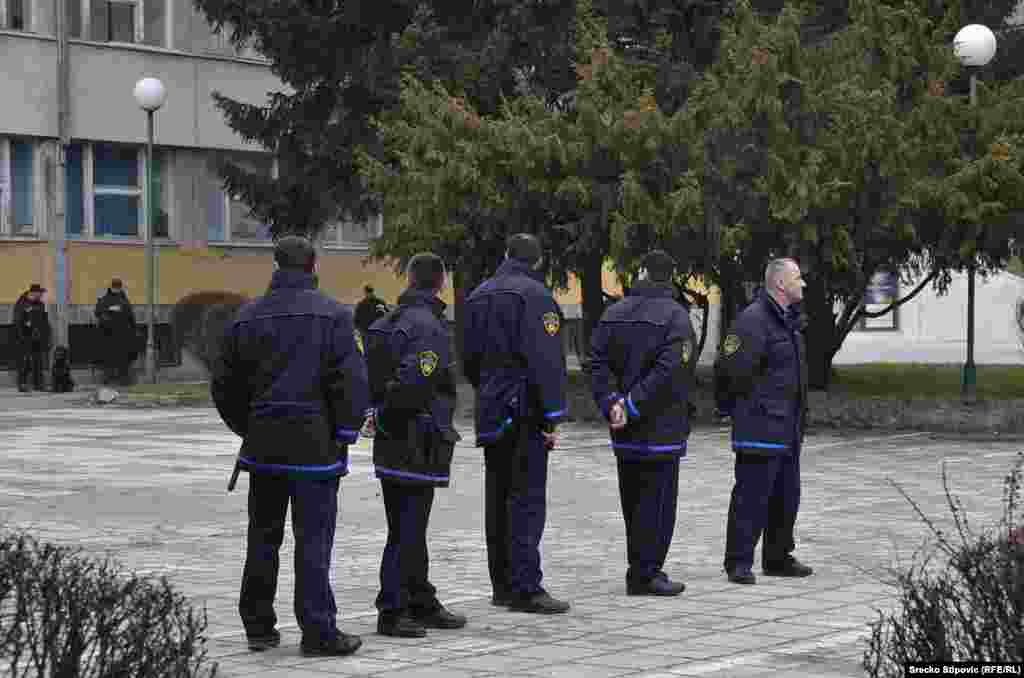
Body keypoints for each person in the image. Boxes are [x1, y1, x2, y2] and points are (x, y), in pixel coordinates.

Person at [211, 235, 370, 656]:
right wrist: (344, 432)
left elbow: (224, 385)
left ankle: (258, 627)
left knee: (263, 538)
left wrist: (249, 427)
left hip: (263, 447)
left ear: (276, 266)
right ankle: (318, 631)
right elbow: (351, 382)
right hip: (315, 449)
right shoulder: (335, 316)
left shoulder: (246, 317)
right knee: (313, 541)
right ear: (314, 266)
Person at [461, 233, 570, 614]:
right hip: (524, 409)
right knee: (526, 499)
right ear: (537, 261)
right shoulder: (536, 296)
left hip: (492, 408)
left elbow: (469, 359)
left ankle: (503, 585)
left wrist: (489, 390)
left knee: (497, 498)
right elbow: (546, 360)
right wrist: (551, 415)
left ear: (507, 254)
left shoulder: (478, 295)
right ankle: (526, 587)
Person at [363, 252, 467, 638]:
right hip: (416, 438)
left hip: (395, 439)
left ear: (409, 279)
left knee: (408, 526)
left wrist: (378, 414)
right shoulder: (427, 326)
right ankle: (392, 609)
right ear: (440, 282)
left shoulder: (386, 323)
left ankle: (420, 598)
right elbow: (415, 382)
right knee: (406, 529)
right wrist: (389, 415)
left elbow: (371, 378)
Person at [588, 250, 694, 596]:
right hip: (661, 427)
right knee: (658, 504)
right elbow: (670, 371)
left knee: (632, 501)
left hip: (624, 428)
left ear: (643, 273)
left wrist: (612, 402)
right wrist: (632, 404)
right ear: (669, 277)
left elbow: (596, 362)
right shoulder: (676, 316)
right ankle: (647, 572)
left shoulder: (613, 313)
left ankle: (639, 569)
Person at [717, 257, 812, 585]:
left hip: (788, 427)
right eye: (797, 278)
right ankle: (738, 562)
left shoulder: (788, 320)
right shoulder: (753, 320)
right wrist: (744, 410)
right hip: (760, 427)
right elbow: (730, 370)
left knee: (787, 496)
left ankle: (778, 557)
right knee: (751, 497)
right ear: (780, 283)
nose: (803, 283)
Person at [94, 278, 138, 386]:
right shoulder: (111, 300)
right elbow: (98, 313)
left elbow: (130, 317)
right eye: (116, 287)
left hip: (117, 335)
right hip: (111, 335)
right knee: (113, 360)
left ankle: (119, 379)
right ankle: (115, 379)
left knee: (117, 359)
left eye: (117, 287)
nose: (117, 289)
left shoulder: (119, 300)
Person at [13, 284, 51, 392]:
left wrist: (46, 335)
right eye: (40, 293)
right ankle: (22, 384)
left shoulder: (40, 304)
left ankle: (38, 384)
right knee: (24, 362)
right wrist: (21, 336)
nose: (41, 296)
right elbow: (17, 321)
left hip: (37, 337)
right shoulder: (21, 303)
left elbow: (44, 320)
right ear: (33, 293)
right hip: (25, 337)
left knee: (38, 361)